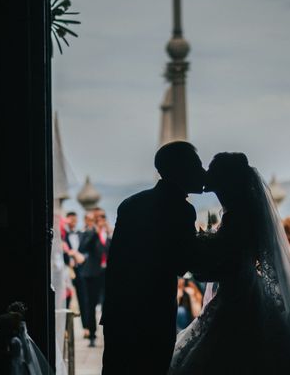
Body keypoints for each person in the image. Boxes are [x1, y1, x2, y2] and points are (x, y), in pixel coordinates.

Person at [169, 152, 290, 375]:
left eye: (212, 169)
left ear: (225, 179)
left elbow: (227, 261)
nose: (206, 173)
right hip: (243, 292)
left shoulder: (237, 218)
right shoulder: (240, 213)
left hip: (237, 298)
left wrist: (199, 255)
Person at [101, 141, 206, 374]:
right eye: (197, 166)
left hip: (119, 309)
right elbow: (181, 264)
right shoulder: (181, 209)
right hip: (153, 313)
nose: (203, 172)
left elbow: (117, 262)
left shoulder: (130, 204)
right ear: (182, 170)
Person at [79, 209, 111, 347]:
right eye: (98, 218)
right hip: (92, 274)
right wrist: (95, 233)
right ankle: (92, 333)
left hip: (106, 273)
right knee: (91, 304)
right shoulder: (89, 233)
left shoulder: (108, 235)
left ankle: (108, 331)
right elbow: (83, 248)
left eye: (103, 218)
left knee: (107, 303)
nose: (101, 221)